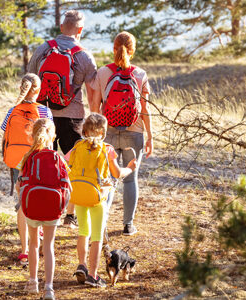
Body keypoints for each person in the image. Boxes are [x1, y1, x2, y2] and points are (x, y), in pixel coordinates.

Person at [26, 10, 99, 229]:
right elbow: (93, 89)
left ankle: (39, 209)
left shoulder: (43, 49)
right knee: (74, 165)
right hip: (72, 117)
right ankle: (70, 216)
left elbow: (30, 78)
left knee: (40, 161)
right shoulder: (84, 56)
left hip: (44, 115)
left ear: (60, 27)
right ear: (80, 30)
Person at [90, 32, 154, 236]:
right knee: (130, 179)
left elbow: (94, 106)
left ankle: (102, 224)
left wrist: (95, 134)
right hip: (133, 132)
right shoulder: (141, 74)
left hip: (107, 131)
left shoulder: (102, 72)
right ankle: (128, 225)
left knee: (108, 179)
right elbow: (145, 109)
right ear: (133, 51)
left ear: (113, 48)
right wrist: (150, 136)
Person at [67, 113, 137, 288]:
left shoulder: (77, 146)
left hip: (78, 194)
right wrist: (130, 168)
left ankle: (81, 265)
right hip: (97, 196)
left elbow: (64, 162)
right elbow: (117, 174)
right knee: (96, 237)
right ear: (104, 133)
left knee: (83, 231)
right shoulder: (107, 149)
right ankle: (93, 275)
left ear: (84, 130)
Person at [1, 73, 51, 266]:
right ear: (38, 90)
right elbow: (50, 138)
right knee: (39, 197)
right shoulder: (45, 112)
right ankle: (37, 236)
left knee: (23, 202)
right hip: (38, 159)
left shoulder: (12, 110)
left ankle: (24, 251)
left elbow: (5, 133)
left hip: (17, 161)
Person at [18, 118, 67, 299]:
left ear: (33, 135)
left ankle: (32, 282)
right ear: (52, 136)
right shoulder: (58, 158)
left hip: (32, 207)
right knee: (48, 246)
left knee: (33, 243)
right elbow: (67, 186)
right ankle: (48, 288)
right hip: (53, 208)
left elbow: (19, 185)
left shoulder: (28, 157)